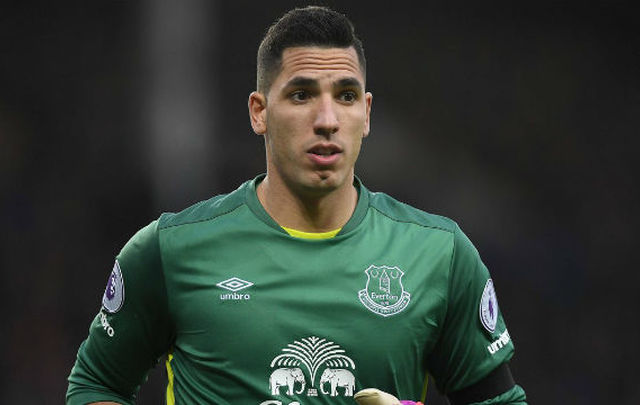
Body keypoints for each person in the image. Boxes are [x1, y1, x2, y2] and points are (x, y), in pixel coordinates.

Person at [66, 6, 527, 405]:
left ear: (366, 114)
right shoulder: (169, 250)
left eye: (346, 96)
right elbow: (95, 383)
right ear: (259, 112)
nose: (327, 120)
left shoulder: (439, 255)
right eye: (302, 94)